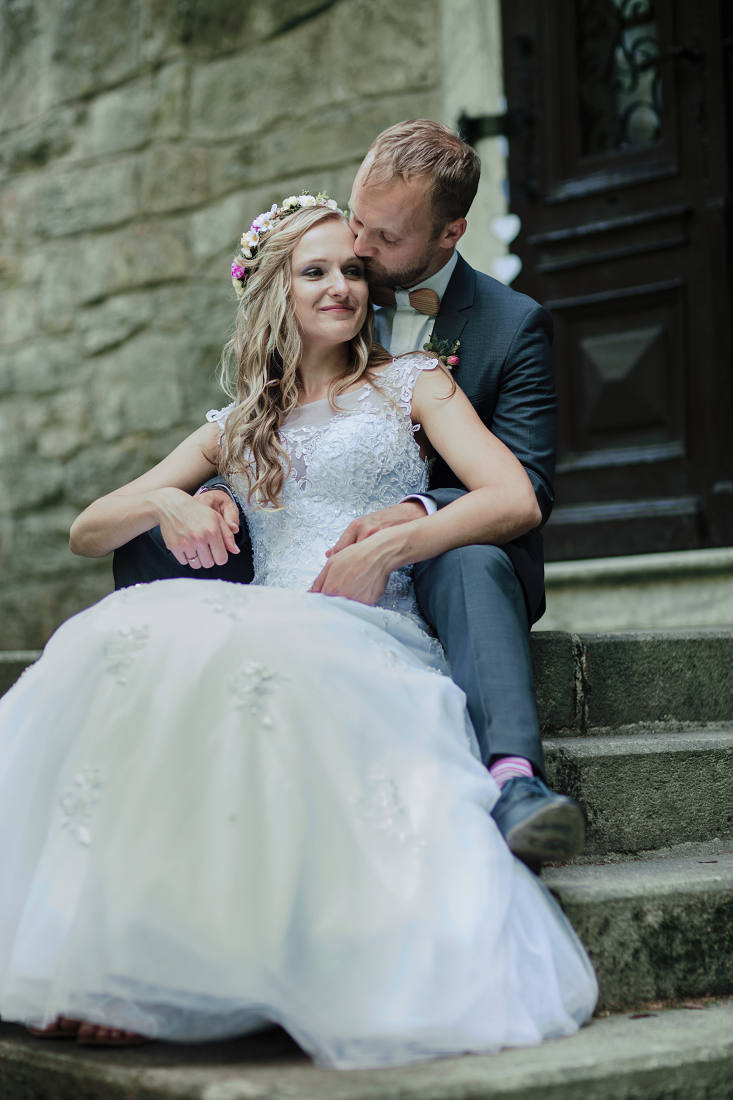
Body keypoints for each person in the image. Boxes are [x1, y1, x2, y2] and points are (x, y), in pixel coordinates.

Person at [0, 196, 598, 1065]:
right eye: (314, 271)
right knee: (128, 638)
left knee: (233, 663)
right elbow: (88, 530)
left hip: (369, 627)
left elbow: (511, 497)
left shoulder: (412, 381)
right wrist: (167, 499)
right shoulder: (239, 422)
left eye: (351, 270)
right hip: (263, 613)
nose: (340, 287)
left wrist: (392, 545)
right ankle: (113, 965)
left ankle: (173, 980)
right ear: (274, 290)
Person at [114, 120, 584, 872]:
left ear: (449, 234)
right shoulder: (323, 302)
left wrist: (407, 527)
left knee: (468, 562)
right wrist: (211, 491)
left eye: (380, 240)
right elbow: (277, 444)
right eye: (354, 224)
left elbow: (523, 487)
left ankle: (515, 780)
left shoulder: (506, 328)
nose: (356, 255)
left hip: (443, 560)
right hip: (288, 575)